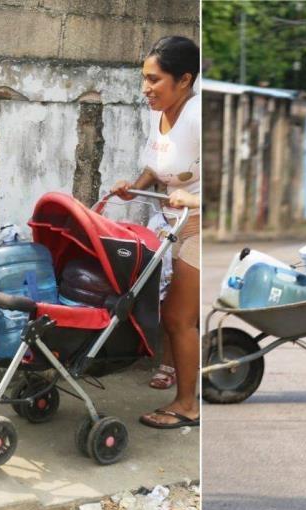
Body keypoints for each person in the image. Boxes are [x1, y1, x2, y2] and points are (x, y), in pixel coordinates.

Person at [111, 36, 201, 427]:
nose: (145, 88)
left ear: (184, 80)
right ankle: (175, 378)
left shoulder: (199, 117)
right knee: (167, 312)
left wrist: (193, 199)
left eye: (154, 79)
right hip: (168, 222)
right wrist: (134, 184)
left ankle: (188, 406)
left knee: (180, 318)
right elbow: (156, 164)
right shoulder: (157, 110)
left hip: (199, 226)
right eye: (144, 79)